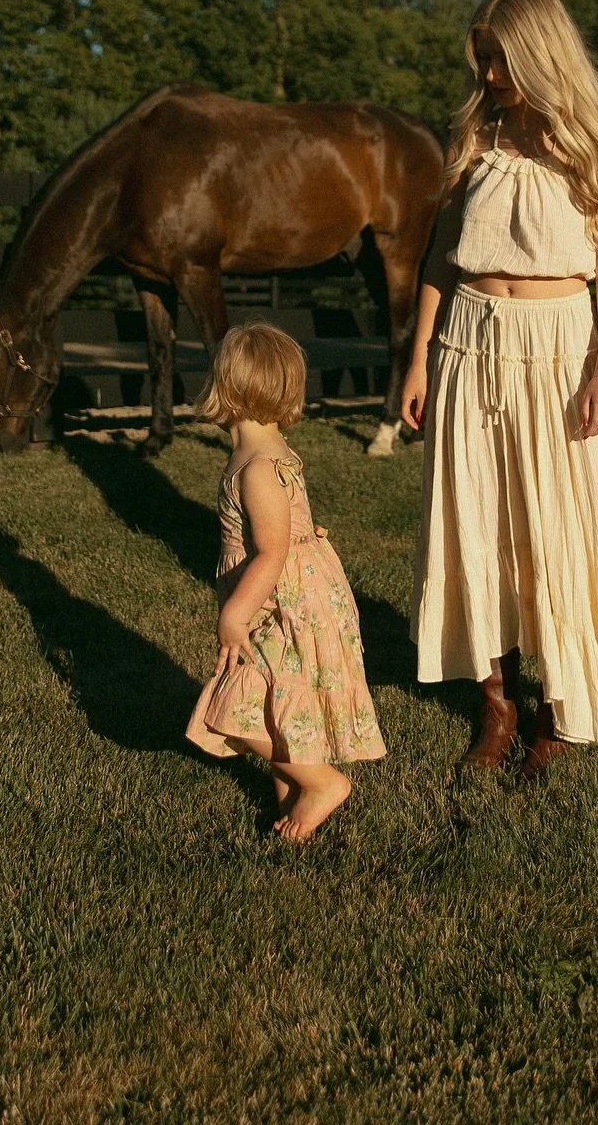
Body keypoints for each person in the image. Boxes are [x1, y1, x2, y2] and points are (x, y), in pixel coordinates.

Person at [402, 0, 598, 780]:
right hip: (469, 343)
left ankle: (561, 705)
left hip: (559, 347)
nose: (487, 76)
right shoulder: (474, 143)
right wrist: (418, 359)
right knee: (476, 522)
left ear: (540, 53)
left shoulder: (594, 144)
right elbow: (438, 263)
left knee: (564, 526)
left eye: (499, 59)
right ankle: (496, 704)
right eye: (481, 60)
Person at [186, 321, 386, 839]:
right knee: (277, 697)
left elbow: (271, 553)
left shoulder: (255, 467)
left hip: (281, 598)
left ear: (224, 388)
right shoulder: (270, 451)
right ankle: (293, 799)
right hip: (291, 593)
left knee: (238, 700)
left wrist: (234, 616)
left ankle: (321, 785)